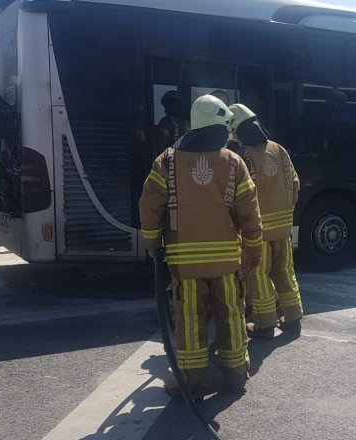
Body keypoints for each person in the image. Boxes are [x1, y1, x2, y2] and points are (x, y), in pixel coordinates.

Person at [139, 95, 263, 400]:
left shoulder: (166, 161)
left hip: (187, 266)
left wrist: (153, 244)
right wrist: (253, 248)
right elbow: (250, 211)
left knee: (190, 321)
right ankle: (235, 375)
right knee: (232, 316)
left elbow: (149, 208)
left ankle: (193, 382)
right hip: (226, 264)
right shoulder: (232, 162)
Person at [228, 104, 303, 339]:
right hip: (283, 226)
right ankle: (293, 316)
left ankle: (264, 322)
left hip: (258, 229)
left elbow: (241, 194)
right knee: (284, 270)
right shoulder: (279, 149)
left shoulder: (244, 155)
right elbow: (295, 183)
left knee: (258, 274)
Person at [155, 90, 189, 154]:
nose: (165, 110)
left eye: (167, 106)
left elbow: (160, 146)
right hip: (187, 160)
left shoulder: (166, 122)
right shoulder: (188, 124)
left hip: (171, 160)